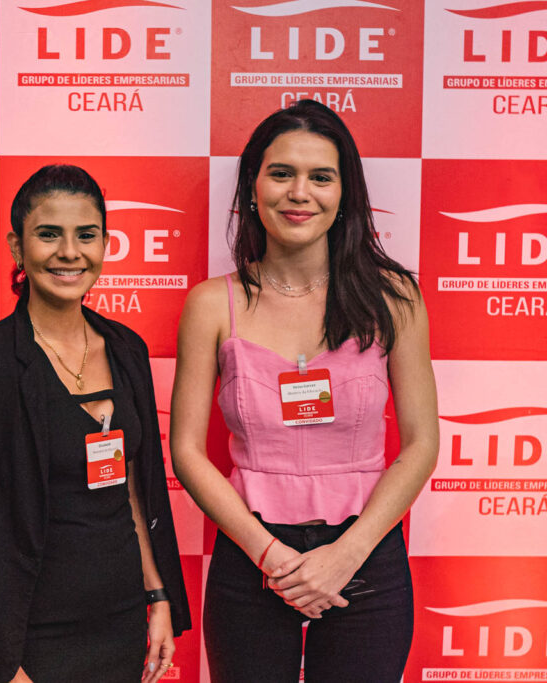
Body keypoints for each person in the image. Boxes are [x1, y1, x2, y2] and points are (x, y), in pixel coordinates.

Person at [170, 100, 438, 682]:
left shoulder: (394, 298)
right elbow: (186, 451)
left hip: (366, 554)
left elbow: (421, 444)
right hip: (251, 554)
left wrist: (346, 555)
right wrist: (270, 556)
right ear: (253, 184)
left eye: (321, 176)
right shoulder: (212, 303)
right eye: (281, 173)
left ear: (345, 193)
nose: (300, 192)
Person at [0, 165, 190, 682]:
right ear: (17, 248)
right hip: (30, 633)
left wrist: (156, 596)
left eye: (86, 235)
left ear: (106, 244)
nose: (70, 252)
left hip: (120, 619)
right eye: (49, 234)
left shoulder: (126, 348)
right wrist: (1, 661)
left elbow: (136, 488)